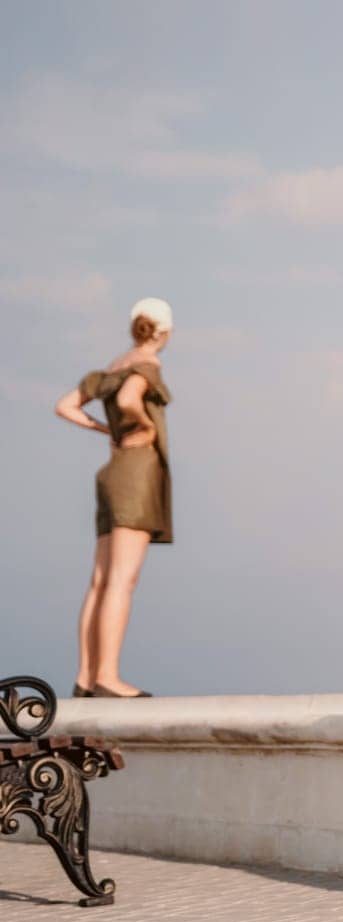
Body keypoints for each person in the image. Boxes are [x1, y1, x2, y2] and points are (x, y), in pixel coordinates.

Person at [53, 298, 176, 699]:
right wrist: (141, 425)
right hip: (136, 469)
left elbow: (65, 406)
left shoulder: (111, 368)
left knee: (100, 580)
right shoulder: (147, 364)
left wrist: (108, 432)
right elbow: (128, 401)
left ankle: (86, 677)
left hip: (110, 472)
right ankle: (108, 676)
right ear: (165, 332)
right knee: (124, 578)